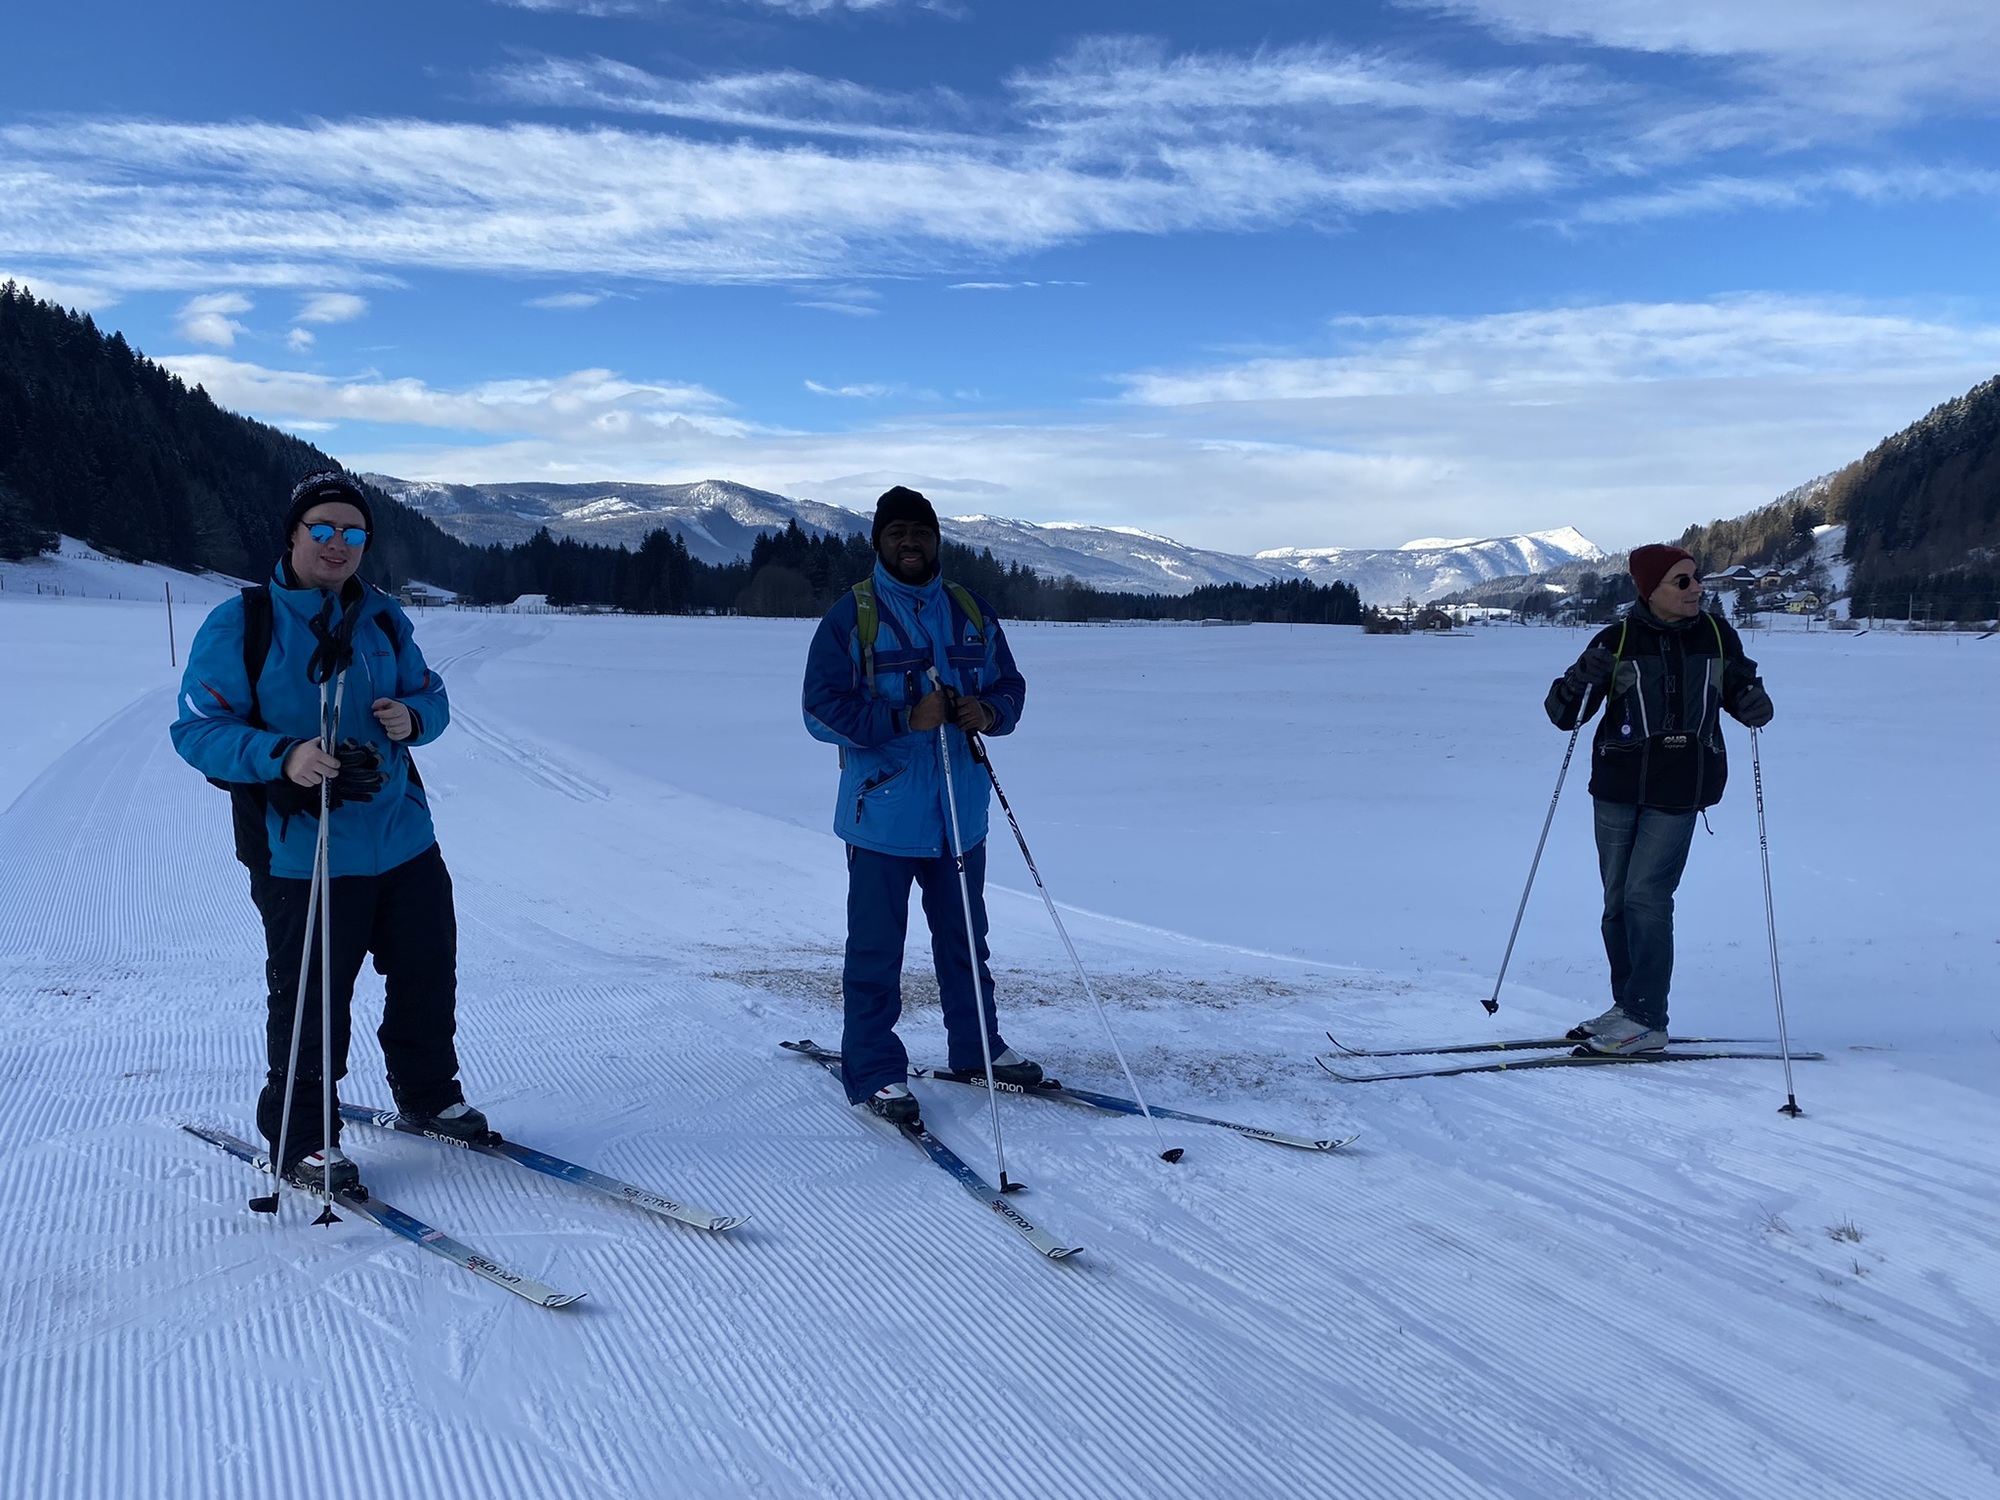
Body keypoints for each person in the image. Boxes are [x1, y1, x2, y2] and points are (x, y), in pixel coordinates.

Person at [172, 471, 487, 1196]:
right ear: (292, 534)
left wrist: (416, 719)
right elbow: (197, 729)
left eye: (353, 532)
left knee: (425, 972)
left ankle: (427, 1092)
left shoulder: (380, 615)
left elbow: (430, 694)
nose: (338, 543)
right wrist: (282, 756)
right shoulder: (242, 622)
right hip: (300, 849)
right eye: (323, 529)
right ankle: (301, 1134)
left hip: (403, 836)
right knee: (313, 996)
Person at [802, 486, 1036, 1124]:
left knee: (966, 942)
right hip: (882, 818)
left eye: (922, 532)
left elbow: (1010, 687)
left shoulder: (970, 610)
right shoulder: (852, 617)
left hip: (961, 814)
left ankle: (977, 1050)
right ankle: (875, 1068)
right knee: (876, 949)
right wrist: (906, 716)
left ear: (937, 539)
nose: (911, 543)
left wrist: (986, 711)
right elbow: (820, 711)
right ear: (878, 541)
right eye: (898, 532)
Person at [1544, 544, 1776, 1055]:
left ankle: (1647, 1018)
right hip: (1616, 789)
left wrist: (1755, 704)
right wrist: (1580, 679)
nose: (1697, 589)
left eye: (1695, 579)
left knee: (1646, 898)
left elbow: (1740, 693)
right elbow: (1564, 715)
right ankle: (1628, 1006)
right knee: (1616, 904)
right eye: (1683, 581)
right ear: (1651, 589)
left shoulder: (1718, 637)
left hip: (1680, 789)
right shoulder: (1617, 639)